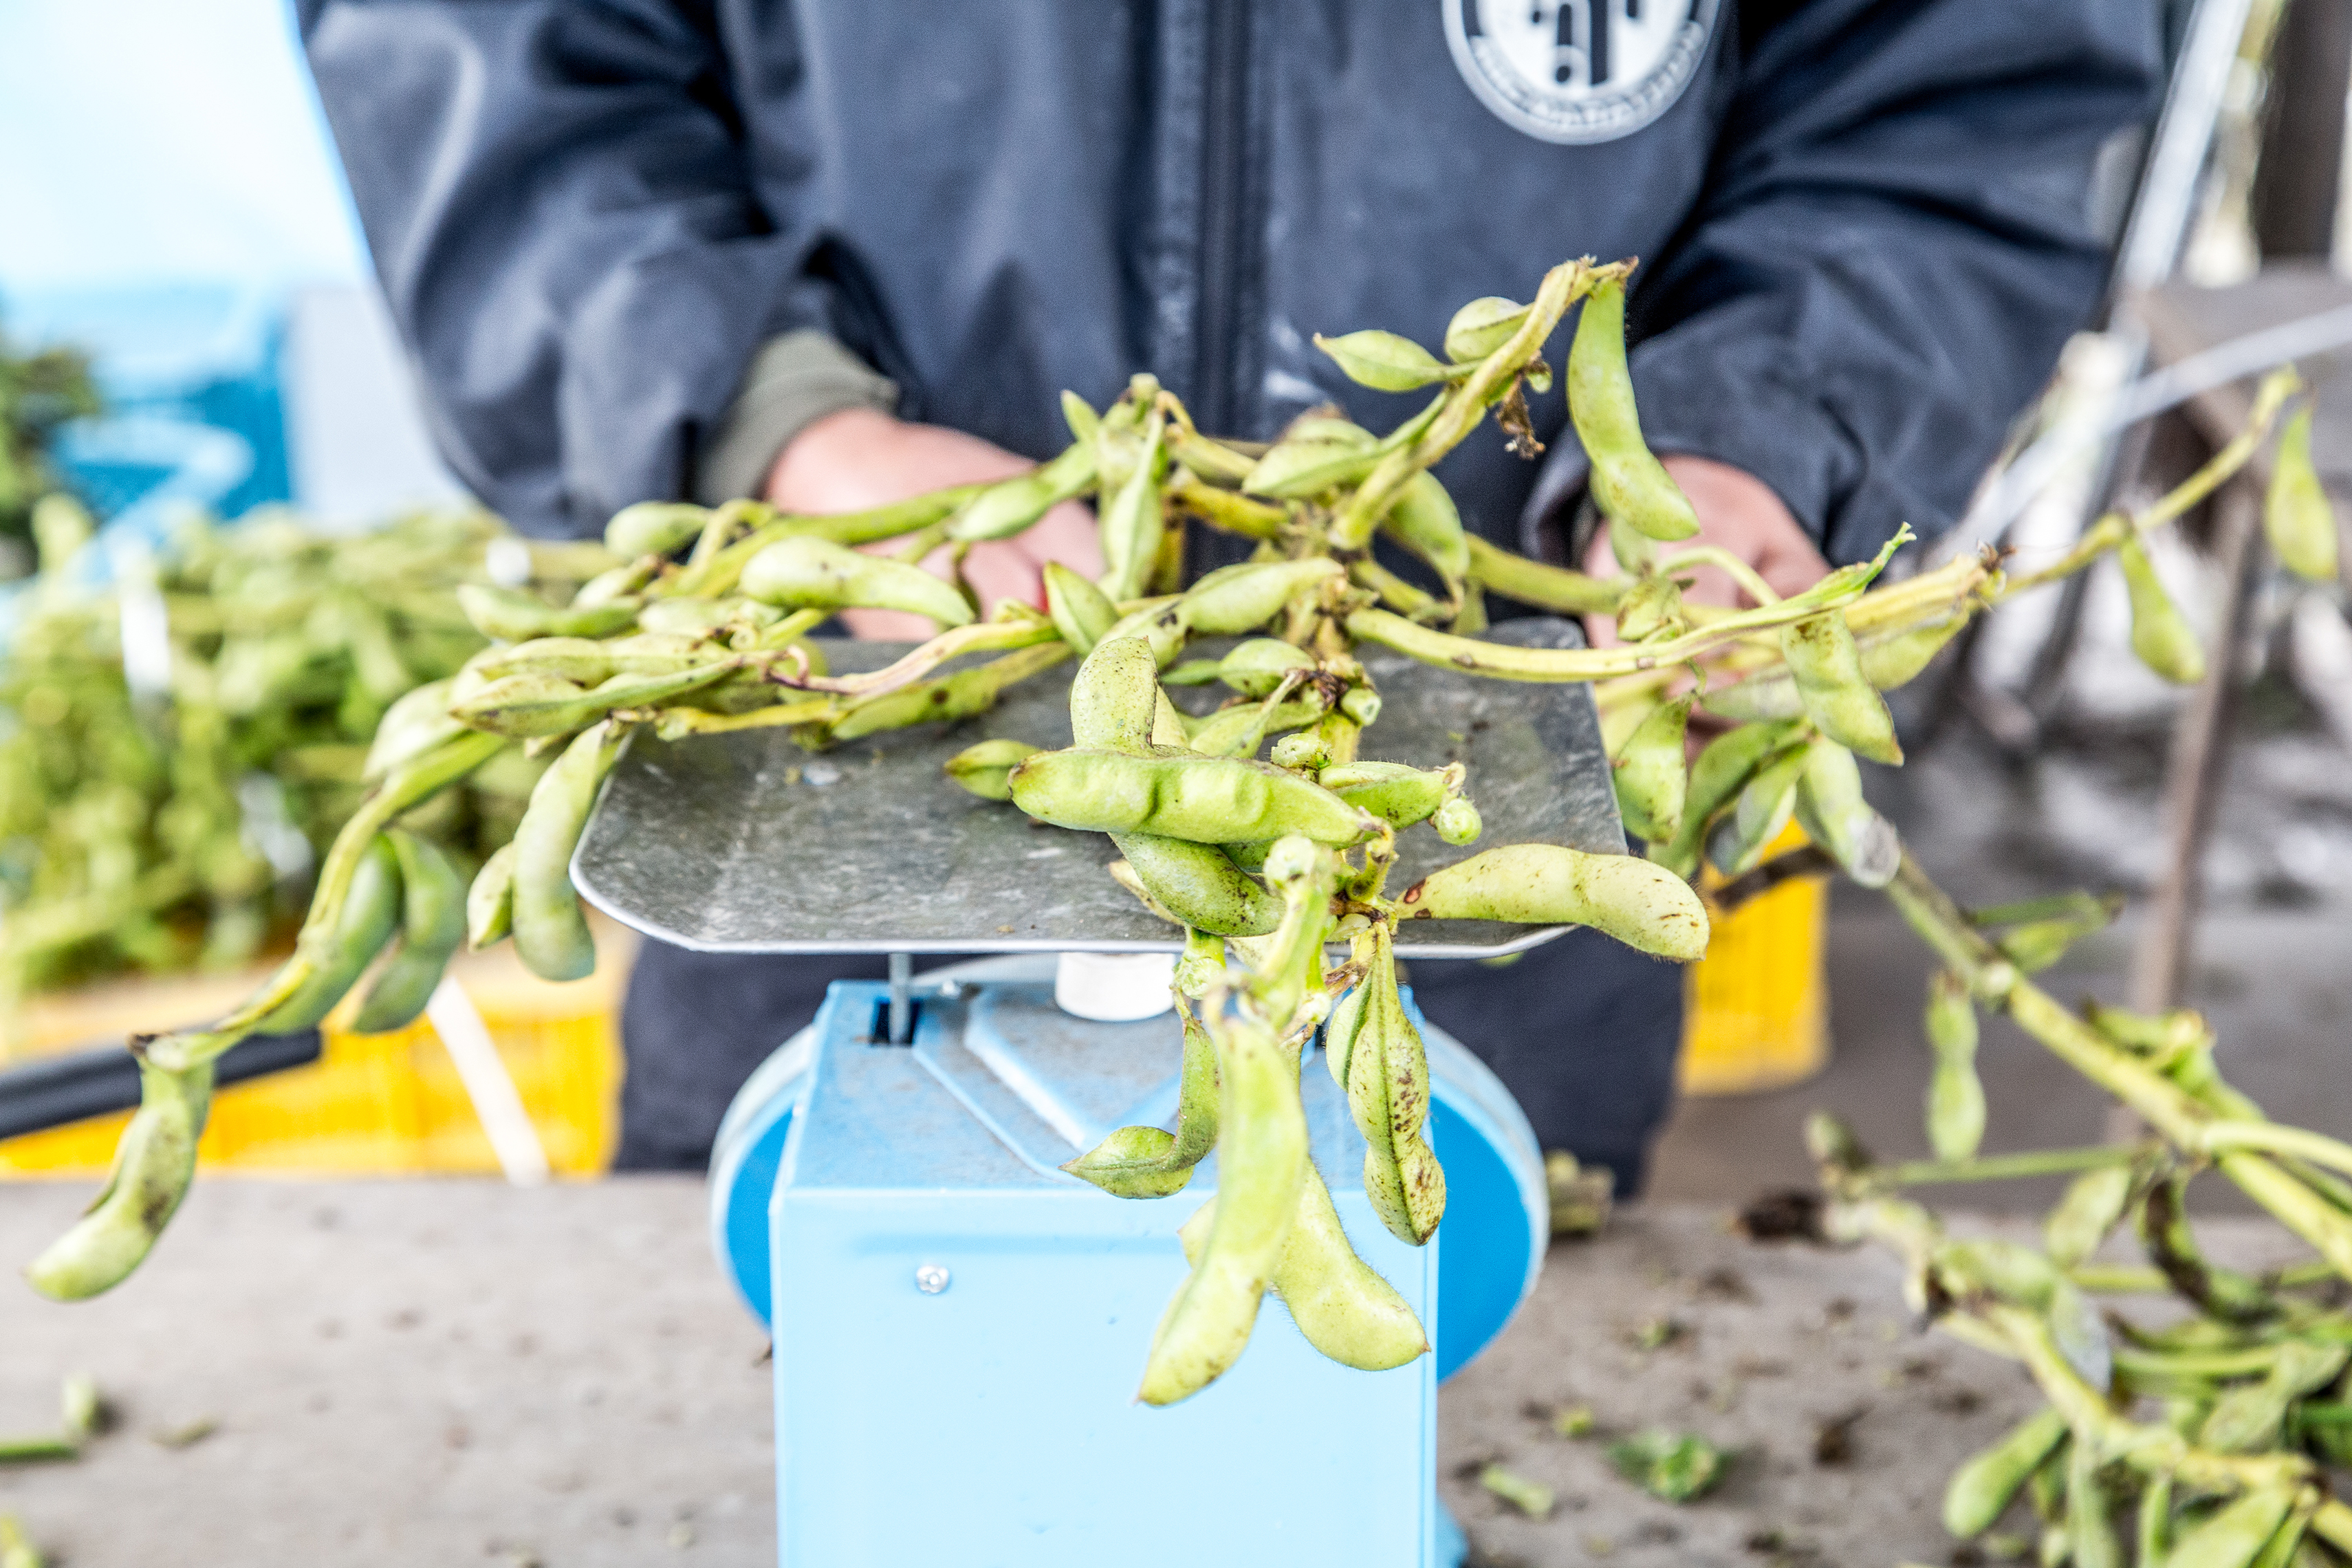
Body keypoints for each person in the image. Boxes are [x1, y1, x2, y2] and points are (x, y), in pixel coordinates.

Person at [299, 0, 2159, 1189]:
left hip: (1479, 840)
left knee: (1482, 1354)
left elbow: (1958, 93)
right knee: (826, 1372)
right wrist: (788, 435)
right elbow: (482, 56)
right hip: (832, 807)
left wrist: (1750, 444)